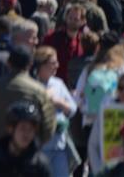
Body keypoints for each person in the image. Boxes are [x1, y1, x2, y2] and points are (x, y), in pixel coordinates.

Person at [0, 45, 56, 156]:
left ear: (8, 64)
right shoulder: (39, 91)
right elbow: (48, 125)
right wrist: (33, 142)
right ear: (30, 65)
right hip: (27, 155)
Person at [33, 46, 79, 177]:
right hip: (40, 147)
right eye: (53, 63)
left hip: (59, 145)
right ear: (41, 64)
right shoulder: (33, 84)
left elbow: (73, 109)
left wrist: (58, 103)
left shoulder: (58, 83)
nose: (57, 66)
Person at [0, 101, 53, 177]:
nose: (26, 134)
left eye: (30, 129)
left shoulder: (39, 165)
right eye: (22, 128)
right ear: (10, 129)